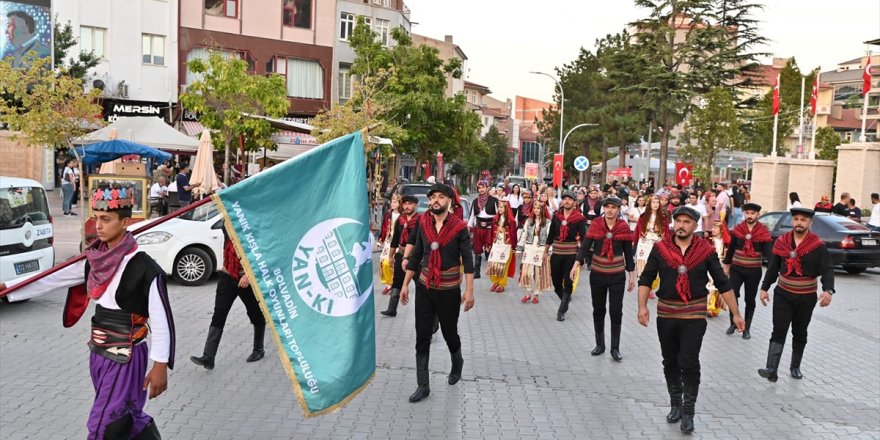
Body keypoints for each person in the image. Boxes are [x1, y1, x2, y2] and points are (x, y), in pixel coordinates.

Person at [0, 186, 174, 439]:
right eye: (96, 218)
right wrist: (8, 289)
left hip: (126, 355)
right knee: (125, 417)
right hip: (99, 354)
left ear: (125, 222)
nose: (98, 225)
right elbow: (51, 279)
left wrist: (160, 366)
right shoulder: (94, 259)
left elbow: (161, 321)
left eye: (106, 219)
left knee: (103, 425)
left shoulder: (145, 268)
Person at [636, 206, 744, 433]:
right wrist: (642, 307)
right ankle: (675, 403)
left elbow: (722, 283)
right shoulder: (661, 248)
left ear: (696, 226)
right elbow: (646, 277)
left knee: (689, 361)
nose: (682, 225)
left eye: (687, 222)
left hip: (694, 314)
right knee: (670, 361)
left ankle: (688, 411)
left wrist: (735, 313)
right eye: (679, 221)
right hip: (666, 314)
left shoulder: (706, 250)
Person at [399, 183, 475, 403]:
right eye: (432, 197)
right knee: (422, 336)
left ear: (449, 201)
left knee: (450, 332)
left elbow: (468, 260)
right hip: (425, 286)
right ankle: (423, 385)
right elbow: (416, 255)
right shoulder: (423, 223)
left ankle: (457, 361)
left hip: (449, 290)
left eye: (441, 197)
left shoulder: (459, 228)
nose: (435, 201)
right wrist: (405, 284)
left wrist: (469, 291)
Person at [758, 207, 834, 382]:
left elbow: (827, 269)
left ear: (810, 223)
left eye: (803, 220)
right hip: (783, 293)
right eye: (796, 219)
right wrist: (764, 287)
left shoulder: (818, 246)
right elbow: (773, 267)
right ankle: (771, 369)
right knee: (779, 329)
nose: (799, 223)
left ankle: (795, 366)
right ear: (792, 221)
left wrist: (828, 290)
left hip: (806, 296)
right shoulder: (782, 242)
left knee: (800, 331)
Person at [191, 225, 266, 370]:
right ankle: (209, 356)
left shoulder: (252, 224)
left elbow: (262, 253)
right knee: (219, 314)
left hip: (246, 281)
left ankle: (259, 349)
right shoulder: (227, 224)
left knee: (255, 313)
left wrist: (249, 275)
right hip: (227, 277)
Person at [573, 197, 635, 361]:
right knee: (598, 309)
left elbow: (628, 253)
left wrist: (631, 276)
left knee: (616, 311)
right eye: (607, 207)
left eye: (613, 207)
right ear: (603, 209)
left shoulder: (623, 227)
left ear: (618, 209)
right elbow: (585, 246)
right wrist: (576, 264)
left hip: (617, 275)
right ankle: (599, 344)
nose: (609, 210)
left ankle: (615, 348)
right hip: (598, 274)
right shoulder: (596, 225)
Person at [722, 202, 772, 340]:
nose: (749, 216)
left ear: (758, 215)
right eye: (747, 213)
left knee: (750, 299)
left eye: (752, 213)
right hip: (736, 269)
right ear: (744, 214)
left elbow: (769, 253)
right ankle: (734, 323)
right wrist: (726, 264)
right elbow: (731, 248)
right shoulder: (738, 230)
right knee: (733, 295)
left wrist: (774, 268)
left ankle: (747, 328)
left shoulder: (763, 231)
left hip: (753, 271)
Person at [545, 191, 587, 322]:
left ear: (575, 202)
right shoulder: (556, 216)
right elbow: (551, 234)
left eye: (570, 199)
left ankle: (561, 310)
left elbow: (584, 239)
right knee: (556, 282)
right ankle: (565, 298)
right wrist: (545, 251)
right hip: (557, 252)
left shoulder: (579, 218)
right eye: (565, 199)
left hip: (571, 253)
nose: (567, 201)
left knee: (568, 282)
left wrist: (581, 258)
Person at [380, 195, 420, 317]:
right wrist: (391, 256)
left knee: (421, 286)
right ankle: (392, 309)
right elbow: (395, 239)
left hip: (416, 258)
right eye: (405, 204)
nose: (406, 206)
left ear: (415, 205)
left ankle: (424, 312)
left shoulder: (421, 220)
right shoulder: (400, 220)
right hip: (401, 254)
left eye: (410, 204)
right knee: (397, 282)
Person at [516, 202, 552, 304]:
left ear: (543, 210)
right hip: (529, 248)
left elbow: (550, 237)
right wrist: (519, 248)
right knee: (527, 273)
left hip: (541, 249)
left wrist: (548, 251)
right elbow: (524, 234)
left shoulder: (548, 222)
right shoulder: (529, 221)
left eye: (538, 208)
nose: (536, 210)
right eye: (534, 208)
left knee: (538, 273)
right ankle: (528, 293)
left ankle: (536, 295)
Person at [634, 195, 667, 299]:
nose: (656, 204)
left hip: (657, 243)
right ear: (649, 204)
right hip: (644, 243)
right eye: (653, 202)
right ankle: (643, 287)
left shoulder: (663, 217)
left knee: (655, 265)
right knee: (642, 264)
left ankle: (651, 288)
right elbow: (638, 230)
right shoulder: (643, 216)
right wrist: (633, 242)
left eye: (657, 202)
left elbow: (666, 232)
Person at [467, 180, 498, 279]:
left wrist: (498, 227)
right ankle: (477, 271)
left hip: (490, 228)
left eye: (483, 187)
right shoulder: (475, 201)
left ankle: (493, 271)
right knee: (477, 250)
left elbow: (498, 215)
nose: (481, 190)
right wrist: (469, 226)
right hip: (478, 227)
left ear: (487, 188)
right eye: (479, 188)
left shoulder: (494, 200)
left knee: (491, 249)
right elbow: (472, 215)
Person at [487, 197, 517, 293]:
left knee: (503, 265)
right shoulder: (495, 219)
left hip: (506, 246)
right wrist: (488, 244)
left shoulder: (511, 222)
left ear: (506, 209)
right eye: (499, 207)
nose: (499, 209)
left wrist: (514, 247)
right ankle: (495, 281)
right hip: (496, 245)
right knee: (492, 263)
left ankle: (502, 284)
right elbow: (491, 233)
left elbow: (513, 235)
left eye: (501, 207)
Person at [378, 195, 402, 295]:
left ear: (400, 204)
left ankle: (395, 285)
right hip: (389, 241)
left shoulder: (403, 216)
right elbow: (384, 228)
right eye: (392, 202)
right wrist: (381, 240)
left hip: (399, 243)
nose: (393, 204)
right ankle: (389, 283)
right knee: (384, 262)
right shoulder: (388, 214)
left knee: (395, 264)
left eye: (395, 202)